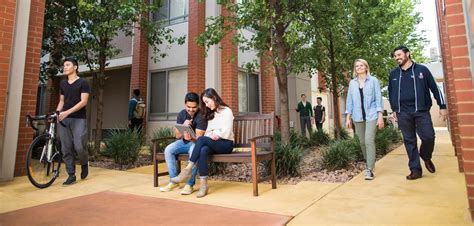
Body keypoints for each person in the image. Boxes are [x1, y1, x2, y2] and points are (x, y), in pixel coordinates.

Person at [388, 45, 447, 180]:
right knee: (409, 141)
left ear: (407, 54)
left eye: (399, 54)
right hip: (403, 112)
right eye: (395, 56)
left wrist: (442, 106)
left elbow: (435, 88)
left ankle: (426, 156)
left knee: (428, 136)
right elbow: (391, 92)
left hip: (421, 111)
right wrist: (394, 110)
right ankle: (415, 170)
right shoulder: (394, 74)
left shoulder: (422, 70)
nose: (397, 57)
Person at [171, 88, 234, 198]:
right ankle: (204, 185)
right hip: (213, 143)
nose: (207, 105)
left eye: (207, 102)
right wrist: (212, 134)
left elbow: (227, 131)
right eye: (204, 103)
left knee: (200, 139)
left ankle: (187, 169)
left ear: (214, 98)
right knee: (203, 150)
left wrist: (217, 134)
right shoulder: (211, 114)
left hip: (226, 144)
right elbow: (208, 131)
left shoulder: (227, 111)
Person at [160, 92, 207, 195]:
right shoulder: (182, 114)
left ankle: (190, 184)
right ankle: (174, 181)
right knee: (168, 150)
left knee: (193, 151)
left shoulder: (201, 116)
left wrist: (190, 133)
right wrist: (183, 125)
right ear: (185, 104)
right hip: (183, 142)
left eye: (193, 107)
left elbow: (199, 139)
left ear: (198, 105)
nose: (191, 110)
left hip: (195, 143)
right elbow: (177, 136)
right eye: (188, 107)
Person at [345, 59, 384, 180]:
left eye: (361, 65)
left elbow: (378, 98)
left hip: (371, 115)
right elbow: (349, 100)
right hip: (357, 116)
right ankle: (370, 163)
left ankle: (370, 169)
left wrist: (380, 116)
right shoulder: (352, 83)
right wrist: (348, 117)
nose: (359, 67)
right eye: (357, 66)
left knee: (368, 140)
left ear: (366, 67)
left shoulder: (373, 81)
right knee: (362, 142)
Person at [56, 57, 90, 186]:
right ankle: (71, 175)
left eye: (67, 65)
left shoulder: (83, 83)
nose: (65, 67)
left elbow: (84, 102)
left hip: (79, 118)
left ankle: (84, 162)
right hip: (65, 118)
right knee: (66, 148)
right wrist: (57, 113)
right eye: (64, 65)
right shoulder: (63, 84)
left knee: (79, 146)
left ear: (75, 67)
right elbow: (62, 101)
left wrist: (67, 112)